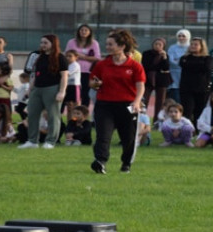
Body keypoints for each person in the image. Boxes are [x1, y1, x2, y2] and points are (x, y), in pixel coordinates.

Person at [88, 28, 146, 173]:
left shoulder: (135, 66)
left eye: (110, 44)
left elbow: (141, 86)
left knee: (129, 137)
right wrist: (95, 84)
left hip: (129, 105)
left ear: (121, 46)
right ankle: (100, 161)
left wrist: (137, 102)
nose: (107, 47)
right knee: (103, 135)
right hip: (104, 105)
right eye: (106, 44)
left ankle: (126, 163)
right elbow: (91, 82)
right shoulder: (102, 64)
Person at [19, 34, 68, 149]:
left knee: (53, 115)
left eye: (45, 43)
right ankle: (32, 141)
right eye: (41, 43)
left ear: (53, 43)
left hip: (52, 88)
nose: (43, 45)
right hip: (37, 88)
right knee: (32, 114)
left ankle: (50, 141)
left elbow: (64, 76)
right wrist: (30, 89)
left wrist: (61, 91)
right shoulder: (39, 57)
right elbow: (34, 75)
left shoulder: (60, 57)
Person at [65, 24, 101, 108]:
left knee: (85, 93)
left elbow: (97, 58)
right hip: (73, 72)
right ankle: (72, 113)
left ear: (90, 32)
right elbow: (67, 54)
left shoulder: (94, 43)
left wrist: (82, 57)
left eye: (86, 30)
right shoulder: (71, 42)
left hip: (87, 72)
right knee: (73, 93)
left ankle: (84, 111)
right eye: (81, 30)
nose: (83, 32)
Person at [179, 37, 213, 124]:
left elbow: (206, 68)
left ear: (202, 46)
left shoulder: (208, 58)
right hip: (186, 89)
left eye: (196, 44)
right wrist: (198, 66)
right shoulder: (184, 58)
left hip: (202, 89)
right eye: (191, 44)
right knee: (187, 110)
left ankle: (198, 130)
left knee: (199, 110)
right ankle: (187, 129)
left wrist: (192, 66)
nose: (193, 46)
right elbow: (184, 64)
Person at [141, 37, 172, 125]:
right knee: (144, 100)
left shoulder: (165, 55)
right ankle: (142, 119)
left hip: (161, 81)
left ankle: (157, 122)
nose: (157, 46)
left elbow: (166, 67)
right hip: (148, 79)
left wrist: (164, 58)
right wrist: (158, 68)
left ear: (163, 46)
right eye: (156, 44)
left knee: (160, 102)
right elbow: (146, 66)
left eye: (160, 45)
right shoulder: (147, 54)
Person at [167, 29, 190, 103]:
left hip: (186, 75)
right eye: (179, 36)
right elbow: (171, 60)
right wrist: (182, 61)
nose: (181, 38)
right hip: (173, 75)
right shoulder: (172, 47)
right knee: (175, 97)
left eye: (183, 36)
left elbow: (189, 61)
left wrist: (178, 60)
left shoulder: (190, 48)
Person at [63, 50, 82, 117]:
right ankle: (70, 123)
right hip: (68, 86)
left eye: (70, 56)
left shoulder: (75, 65)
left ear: (76, 57)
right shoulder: (67, 65)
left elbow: (67, 74)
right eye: (66, 56)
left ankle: (76, 122)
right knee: (69, 106)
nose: (68, 58)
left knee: (76, 106)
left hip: (74, 86)